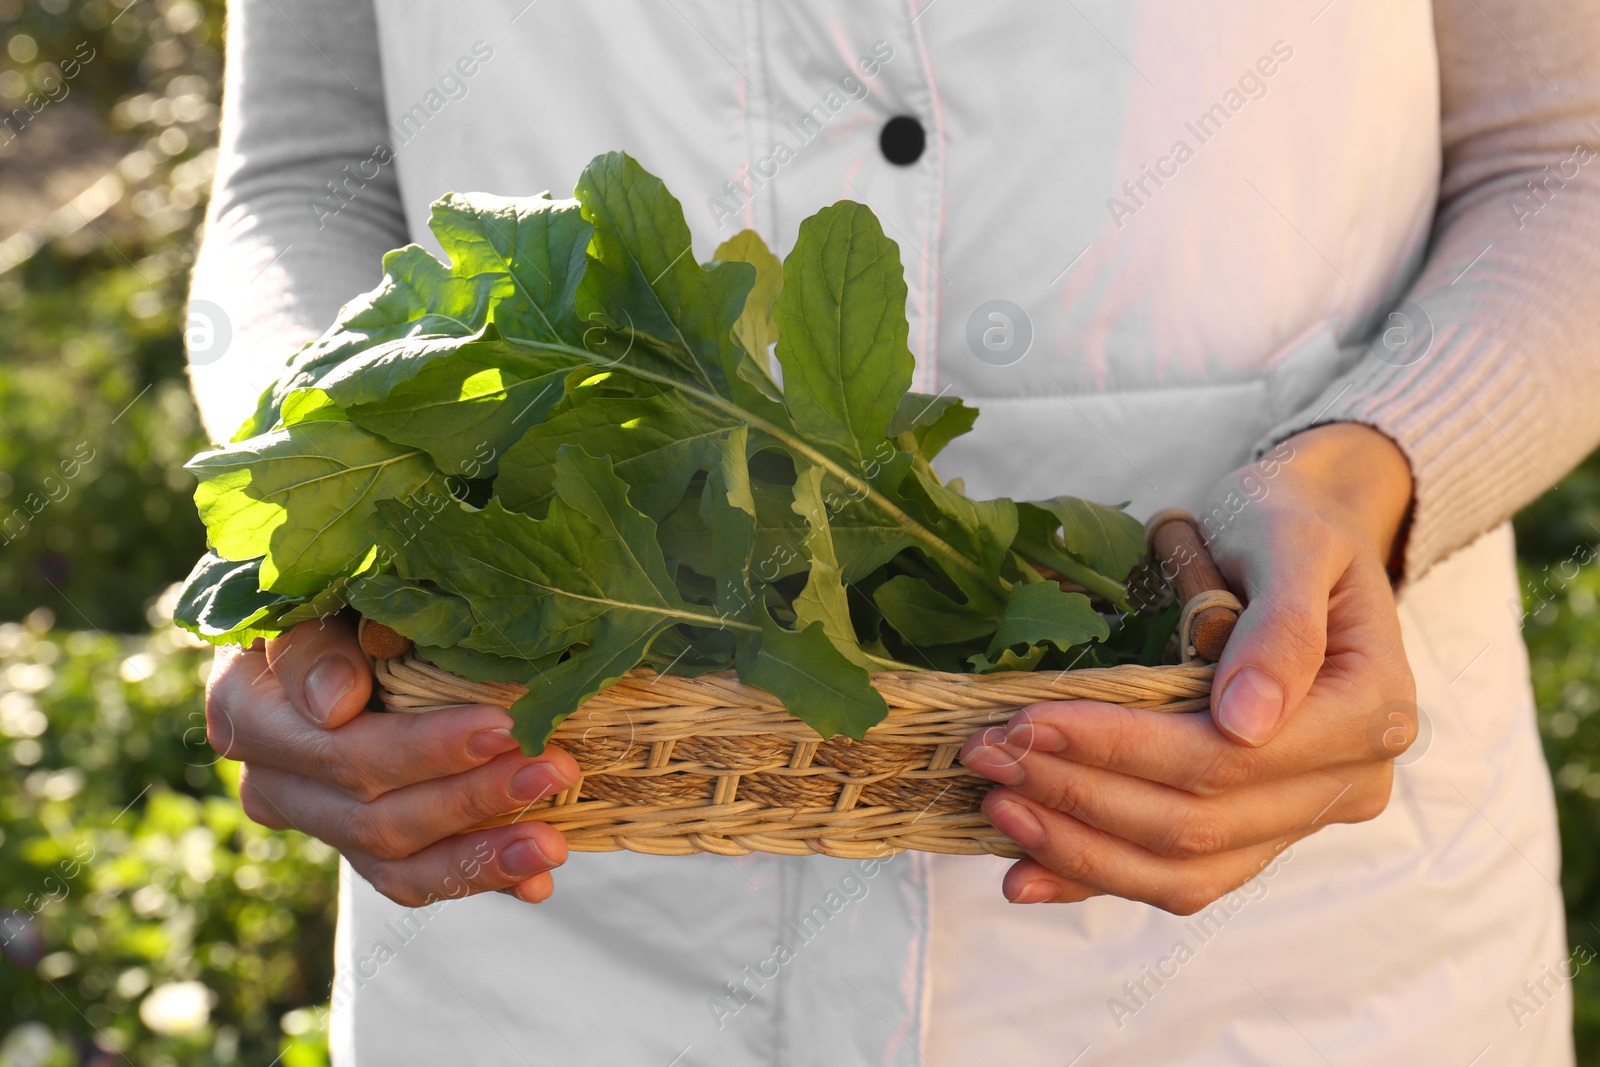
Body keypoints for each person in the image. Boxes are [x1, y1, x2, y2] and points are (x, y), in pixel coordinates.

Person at [189, 0, 1600, 1062]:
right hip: (562, 959)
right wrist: (335, 500)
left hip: (1295, 965)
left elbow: (1567, 160)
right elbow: (305, 181)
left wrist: (1368, 474)